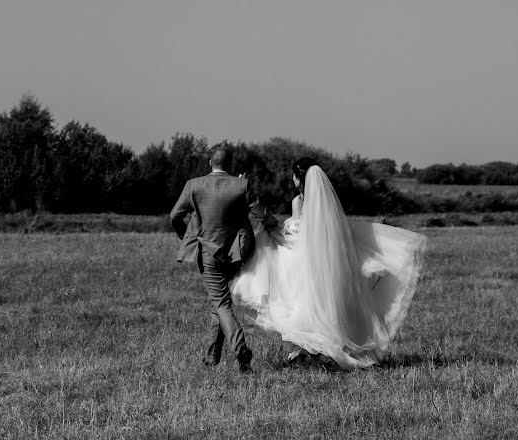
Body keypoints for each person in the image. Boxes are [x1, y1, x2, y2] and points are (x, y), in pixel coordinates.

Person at [231, 157, 427, 370]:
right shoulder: (328, 202)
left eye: (294, 176)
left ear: (300, 178)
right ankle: (321, 349)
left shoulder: (299, 202)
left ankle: (307, 350)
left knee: (296, 298)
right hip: (325, 262)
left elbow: (296, 235)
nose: (292, 179)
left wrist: (276, 232)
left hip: (305, 262)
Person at [170, 145, 273, 373]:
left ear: (210, 163)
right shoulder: (241, 185)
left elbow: (174, 215)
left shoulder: (193, 185)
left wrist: (185, 233)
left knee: (221, 303)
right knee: (219, 301)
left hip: (207, 253)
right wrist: (277, 227)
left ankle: (240, 349)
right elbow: (262, 213)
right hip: (236, 252)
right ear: (230, 164)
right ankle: (211, 357)